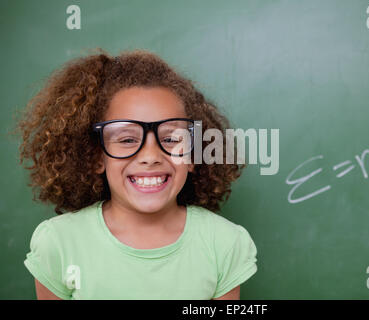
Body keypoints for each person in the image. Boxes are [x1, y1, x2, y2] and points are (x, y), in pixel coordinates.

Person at [15, 48, 257, 300]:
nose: (150, 155)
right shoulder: (59, 244)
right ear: (97, 155)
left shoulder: (225, 243)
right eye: (128, 139)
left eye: (171, 138)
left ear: (193, 155)